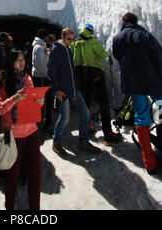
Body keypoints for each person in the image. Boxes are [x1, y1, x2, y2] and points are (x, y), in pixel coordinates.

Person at [0, 49, 44, 210]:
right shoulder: (3, 80)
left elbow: (35, 104)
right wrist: (14, 98)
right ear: (10, 62)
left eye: (23, 59)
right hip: (12, 135)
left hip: (31, 132)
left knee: (35, 175)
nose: (21, 63)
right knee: (12, 177)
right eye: (17, 60)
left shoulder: (27, 78)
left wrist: (40, 101)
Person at [113, 12, 162, 174]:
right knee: (160, 114)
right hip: (153, 81)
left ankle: (150, 162)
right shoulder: (146, 35)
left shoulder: (118, 38)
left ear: (124, 22)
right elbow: (158, 57)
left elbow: (117, 55)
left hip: (133, 84)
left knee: (141, 118)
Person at [47, 28, 101, 157]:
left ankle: (83, 141)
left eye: (72, 39)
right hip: (63, 90)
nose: (71, 41)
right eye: (69, 39)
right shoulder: (56, 50)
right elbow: (51, 72)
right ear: (62, 37)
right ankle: (56, 142)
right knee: (64, 117)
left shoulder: (67, 49)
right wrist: (56, 89)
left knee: (85, 112)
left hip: (73, 88)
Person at [70, 23, 121, 145]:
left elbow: (70, 56)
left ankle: (86, 128)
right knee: (104, 102)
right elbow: (102, 53)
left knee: (85, 102)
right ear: (91, 31)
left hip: (81, 76)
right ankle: (107, 133)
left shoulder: (75, 42)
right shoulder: (92, 41)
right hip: (96, 75)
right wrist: (108, 57)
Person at [31, 29, 54, 133]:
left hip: (42, 76)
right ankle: (45, 122)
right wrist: (48, 75)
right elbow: (40, 64)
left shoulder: (41, 46)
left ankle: (43, 120)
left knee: (45, 99)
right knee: (44, 99)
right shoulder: (39, 47)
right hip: (41, 76)